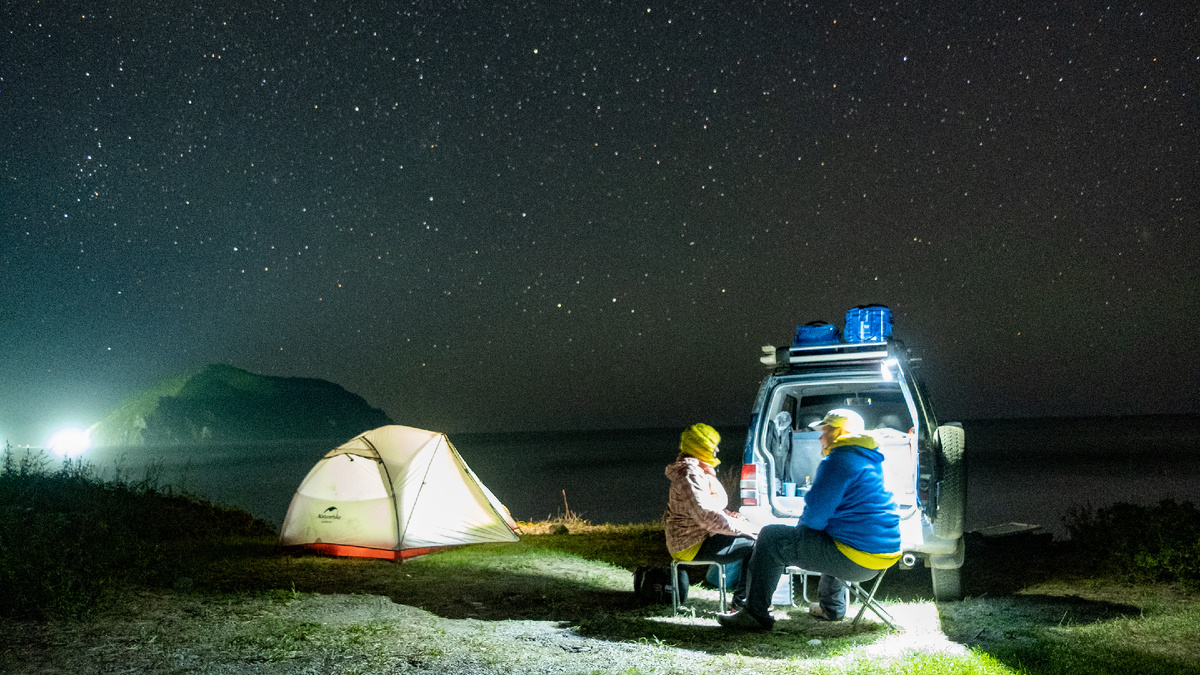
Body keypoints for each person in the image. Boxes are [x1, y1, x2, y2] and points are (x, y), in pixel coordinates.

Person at [717, 409, 900, 631]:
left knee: (770, 536)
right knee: (832, 535)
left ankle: (755, 615)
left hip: (857, 558)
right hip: (883, 554)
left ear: (840, 431)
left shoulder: (839, 460)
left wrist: (801, 532)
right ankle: (831, 608)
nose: (820, 437)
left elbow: (814, 517)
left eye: (825, 431)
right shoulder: (869, 458)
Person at [665, 423, 760, 609]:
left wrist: (733, 517)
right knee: (757, 544)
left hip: (700, 537)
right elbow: (707, 517)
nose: (717, 450)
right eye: (712, 446)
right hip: (690, 545)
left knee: (754, 536)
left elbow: (708, 508)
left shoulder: (697, 471)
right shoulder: (689, 475)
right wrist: (745, 529)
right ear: (700, 449)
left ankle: (747, 600)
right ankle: (743, 604)